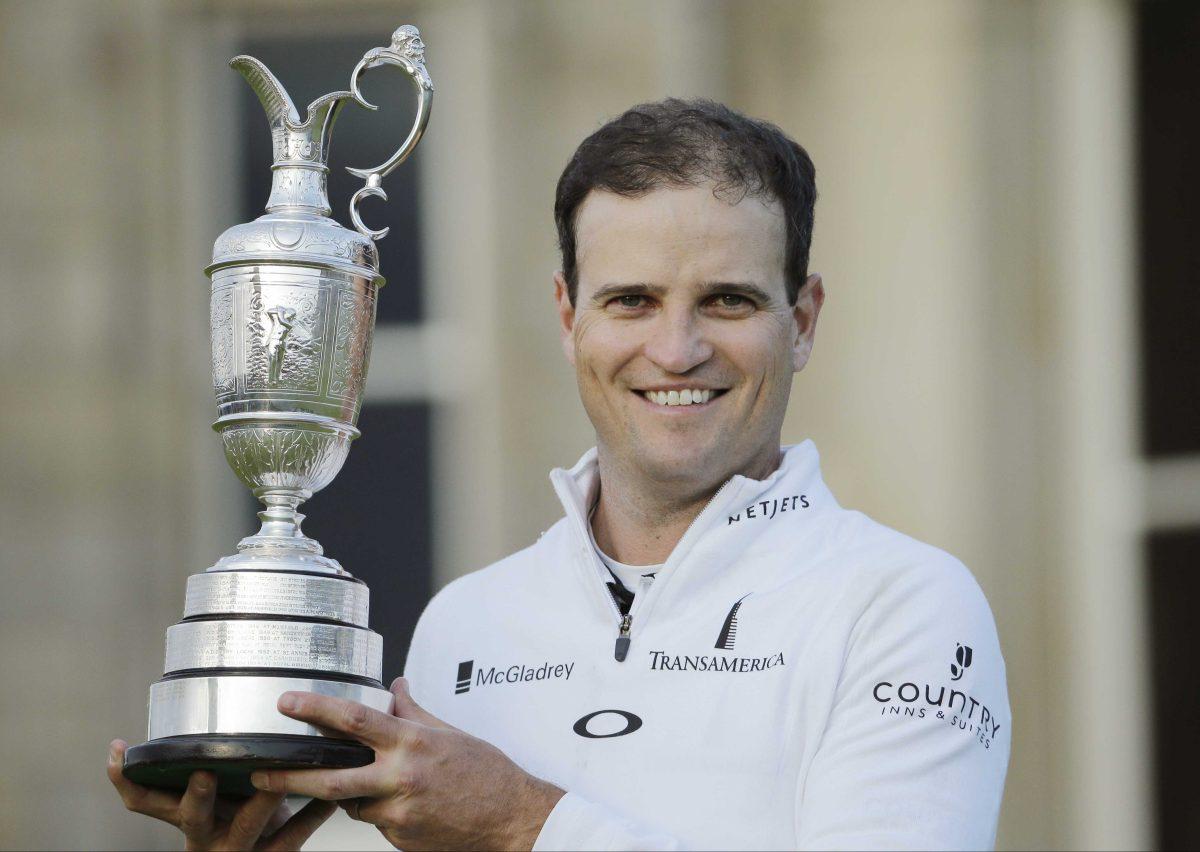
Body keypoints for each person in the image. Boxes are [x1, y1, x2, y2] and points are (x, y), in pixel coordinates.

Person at [110, 98, 1010, 850]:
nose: (677, 349)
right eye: (632, 301)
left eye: (727, 300)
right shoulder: (468, 622)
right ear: (567, 313)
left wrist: (523, 821)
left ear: (803, 320)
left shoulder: (905, 607)